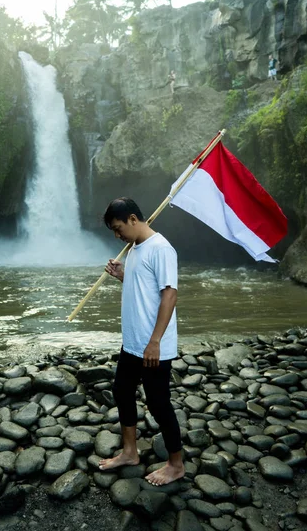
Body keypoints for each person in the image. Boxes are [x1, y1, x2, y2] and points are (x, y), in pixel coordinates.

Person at [98, 197, 185, 486]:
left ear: (133, 219)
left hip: (152, 344)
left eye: (118, 227)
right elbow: (144, 287)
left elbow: (169, 295)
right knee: (122, 391)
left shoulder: (161, 249)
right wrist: (124, 275)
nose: (117, 235)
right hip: (133, 342)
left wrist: (155, 341)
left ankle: (176, 464)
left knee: (159, 404)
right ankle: (130, 452)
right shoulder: (135, 247)